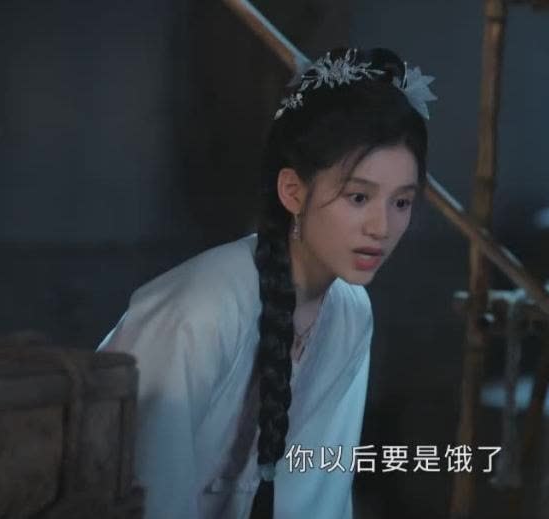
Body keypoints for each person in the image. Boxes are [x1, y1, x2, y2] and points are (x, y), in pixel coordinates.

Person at [97, 47, 435, 519]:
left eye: (401, 202)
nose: (382, 227)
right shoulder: (201, 308)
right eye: (358, 197)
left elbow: (318, 487)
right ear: (293, 190)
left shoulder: (350, 311)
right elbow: (141, 489)